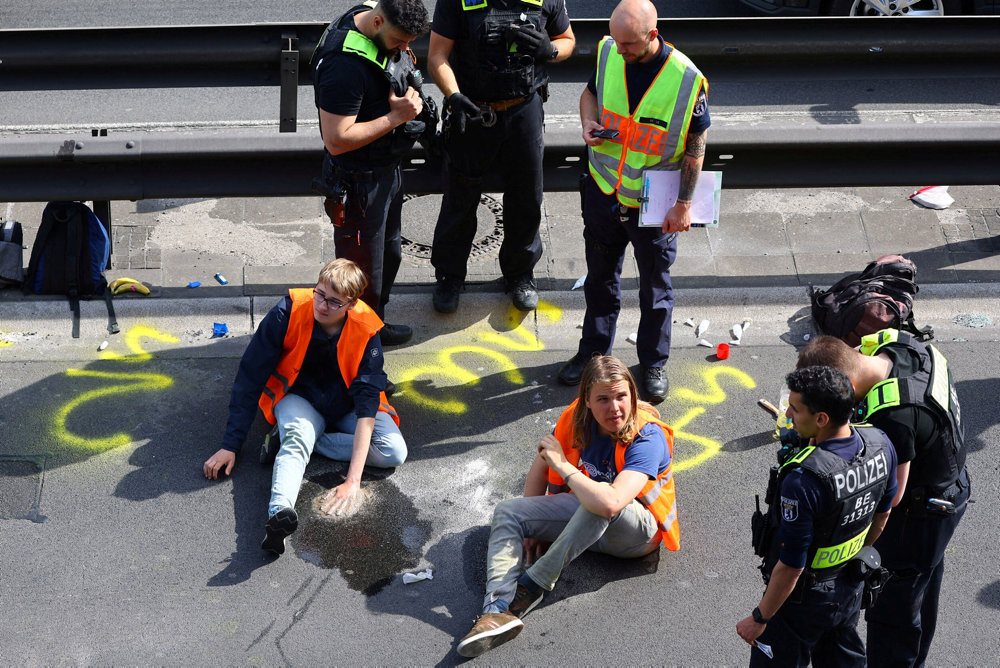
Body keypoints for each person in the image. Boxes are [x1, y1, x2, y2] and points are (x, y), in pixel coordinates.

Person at [456, 355, 678, 658]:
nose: (614, 408)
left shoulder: (647, 435)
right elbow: (544, 457)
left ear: (632, 395)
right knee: (508, 512)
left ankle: (530, 588)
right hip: (588, 523)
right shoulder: (575, 418)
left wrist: (565, 468)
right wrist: (532, 527)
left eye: (621, 396)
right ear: (586, 400)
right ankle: (495, 613)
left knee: (600, 496)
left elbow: (612, 502)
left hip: (636, 536)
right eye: (603, 399)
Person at [557, 0, 711, 404]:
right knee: (600, 279)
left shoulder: (686, 80)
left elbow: (695, 148)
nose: (620, 50)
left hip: (652, 204)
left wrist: (683, 203)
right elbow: (589, 94)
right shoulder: (610, 50)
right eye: (617, 41)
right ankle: (593, 354)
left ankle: (653, 363)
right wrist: (587, 122)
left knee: (654, 287)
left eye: (629, 45)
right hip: (603, 191)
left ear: (652, 36)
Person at [203, 259, 407, 556]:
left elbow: (366, 410)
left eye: (334, 302)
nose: (322, 306)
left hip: (348, 405)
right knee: (297, 440)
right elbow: (249, 377)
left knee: (394, 452)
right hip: (299, 399)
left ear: (352, 304)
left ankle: (297, 441)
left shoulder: (367, 329)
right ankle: (278, 514)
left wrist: (353, 482)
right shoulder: (286, 312)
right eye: (320, 294)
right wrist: (230, 445)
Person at [797, 330, 971, 666]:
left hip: (919, 516)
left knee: (896, 612)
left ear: (843, 381)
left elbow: (890, 497)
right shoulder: (906, 345)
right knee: (923, 587)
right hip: (948, 484)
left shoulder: (894, 417)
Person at [737, 365, 899, 666]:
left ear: (821, 419)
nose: (787, 415)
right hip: (850, 586)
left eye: (795, 410)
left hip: (800, 602)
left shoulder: (803, 480)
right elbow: (883, 514)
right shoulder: (880, 443)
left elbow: (790, 567)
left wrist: (760, 618)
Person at [427, 0, 576, 314]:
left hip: (524, 109)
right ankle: (450, 276)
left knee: (526, 196)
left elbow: (568, 41)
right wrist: (454, 97)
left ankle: (520, 274)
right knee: (460, 198)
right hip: (472, 110)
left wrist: (549, 50)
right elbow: (437, 56)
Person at [312, 0, 430, 347]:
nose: (405, 49)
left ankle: (373, 326)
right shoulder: (342, 66)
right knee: (359, 276)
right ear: (377, 21)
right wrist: (398, 118)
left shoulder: (368, 15)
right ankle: (361, 356)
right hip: (359, 185)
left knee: (387, 259)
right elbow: (336, 139)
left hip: (384, 172)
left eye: (410, 43)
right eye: (399, 41)